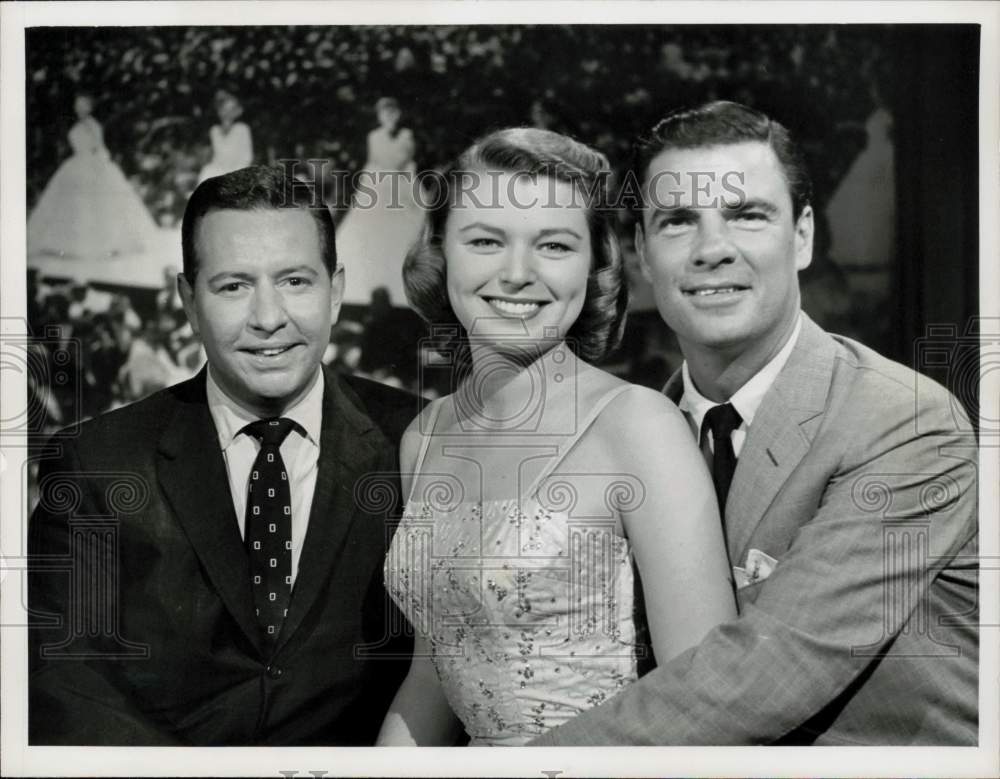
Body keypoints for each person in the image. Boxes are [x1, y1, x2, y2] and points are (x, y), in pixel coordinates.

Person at [531, 101, 978, 745]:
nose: (713, 250)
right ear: (642, 254)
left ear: (802, 237)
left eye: (746, 215)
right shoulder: (638, 436)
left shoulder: (906, 425)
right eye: (679, 221)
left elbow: (770, 670)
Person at [28, 164, 422, 745]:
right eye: (233, 286)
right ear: (188, 301)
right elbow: (64, 681)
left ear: (335, 292)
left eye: (294, 281)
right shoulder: (95, 462)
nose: (268, 318)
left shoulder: (417, 440)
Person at [377, 128, 737, 746]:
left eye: (554, 244)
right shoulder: (424, 437)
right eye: (486, 240)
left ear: (595, 263)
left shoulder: (638, 428)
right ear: (442, 252)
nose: (517, 274)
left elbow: (705, 704)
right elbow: (433, 677)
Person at [27, 93, 160, 259]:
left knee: (92, 204)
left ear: (90, 107)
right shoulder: (78, 125)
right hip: (75, 164)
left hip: (90, 164)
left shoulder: (93, 125)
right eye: (77, 104)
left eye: (82, 104)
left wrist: (99, 165)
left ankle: (101, 243)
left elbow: (99, 147)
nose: (78, 107)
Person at [336, 97, 426, 306]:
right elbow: (375, 160)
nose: (389, 117)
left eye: (392, 113)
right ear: (379, 117)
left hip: (400, 186)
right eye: (384, 114)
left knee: (403, 231)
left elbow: (401, 160)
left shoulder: (406, 135)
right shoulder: (374, 136)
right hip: (378, 186)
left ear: (398, 115)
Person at [197, 91, 253, 183]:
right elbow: (217, 157)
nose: (227, 113)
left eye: (231, 109)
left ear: (236, 112)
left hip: (238, 171)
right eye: (223, 109)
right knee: (206, 173)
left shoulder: (242, 129)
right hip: (217, 170)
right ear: (218, 111)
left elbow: (247, 157)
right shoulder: (214, 131)